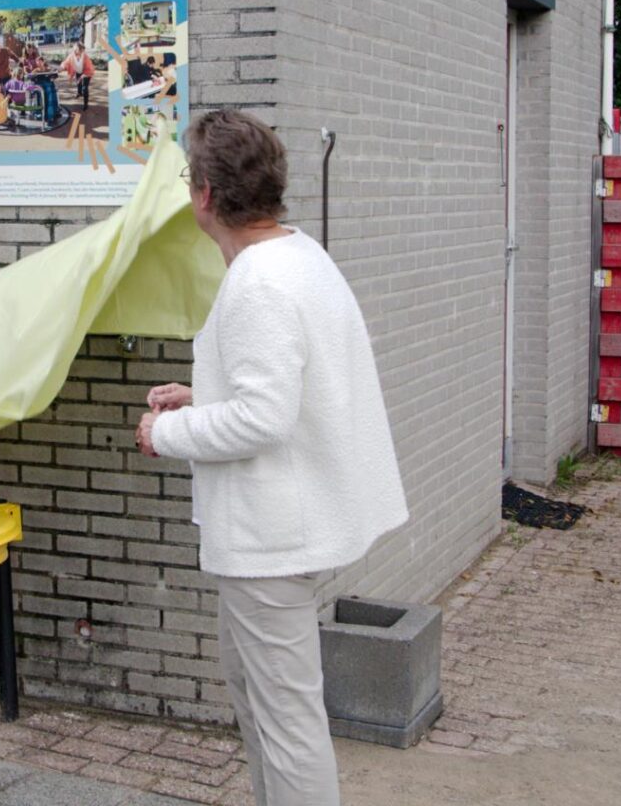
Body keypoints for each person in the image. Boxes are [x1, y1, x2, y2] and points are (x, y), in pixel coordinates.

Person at [134, 110, 408, 806]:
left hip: (271, 537)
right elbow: (289, 382)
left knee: (286, 722)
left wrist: (165, 434)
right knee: (261, 698)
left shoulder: (258, 280)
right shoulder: (299, 255)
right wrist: (203, 395)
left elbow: (263, 417)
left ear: (203, 195)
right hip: (288, 524)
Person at [60, 41, 94, 108]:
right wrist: (61, 68)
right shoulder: (72, 56)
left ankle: (85, 104)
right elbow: (66, 62)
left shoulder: (85, 57)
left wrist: (82, 77)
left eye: (82, 50)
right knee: (78, 83)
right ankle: (79, 93)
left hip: (86, 72)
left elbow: (89, 68)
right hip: (78, 71)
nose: (81, 52)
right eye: (79, 50)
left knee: (84, 88)